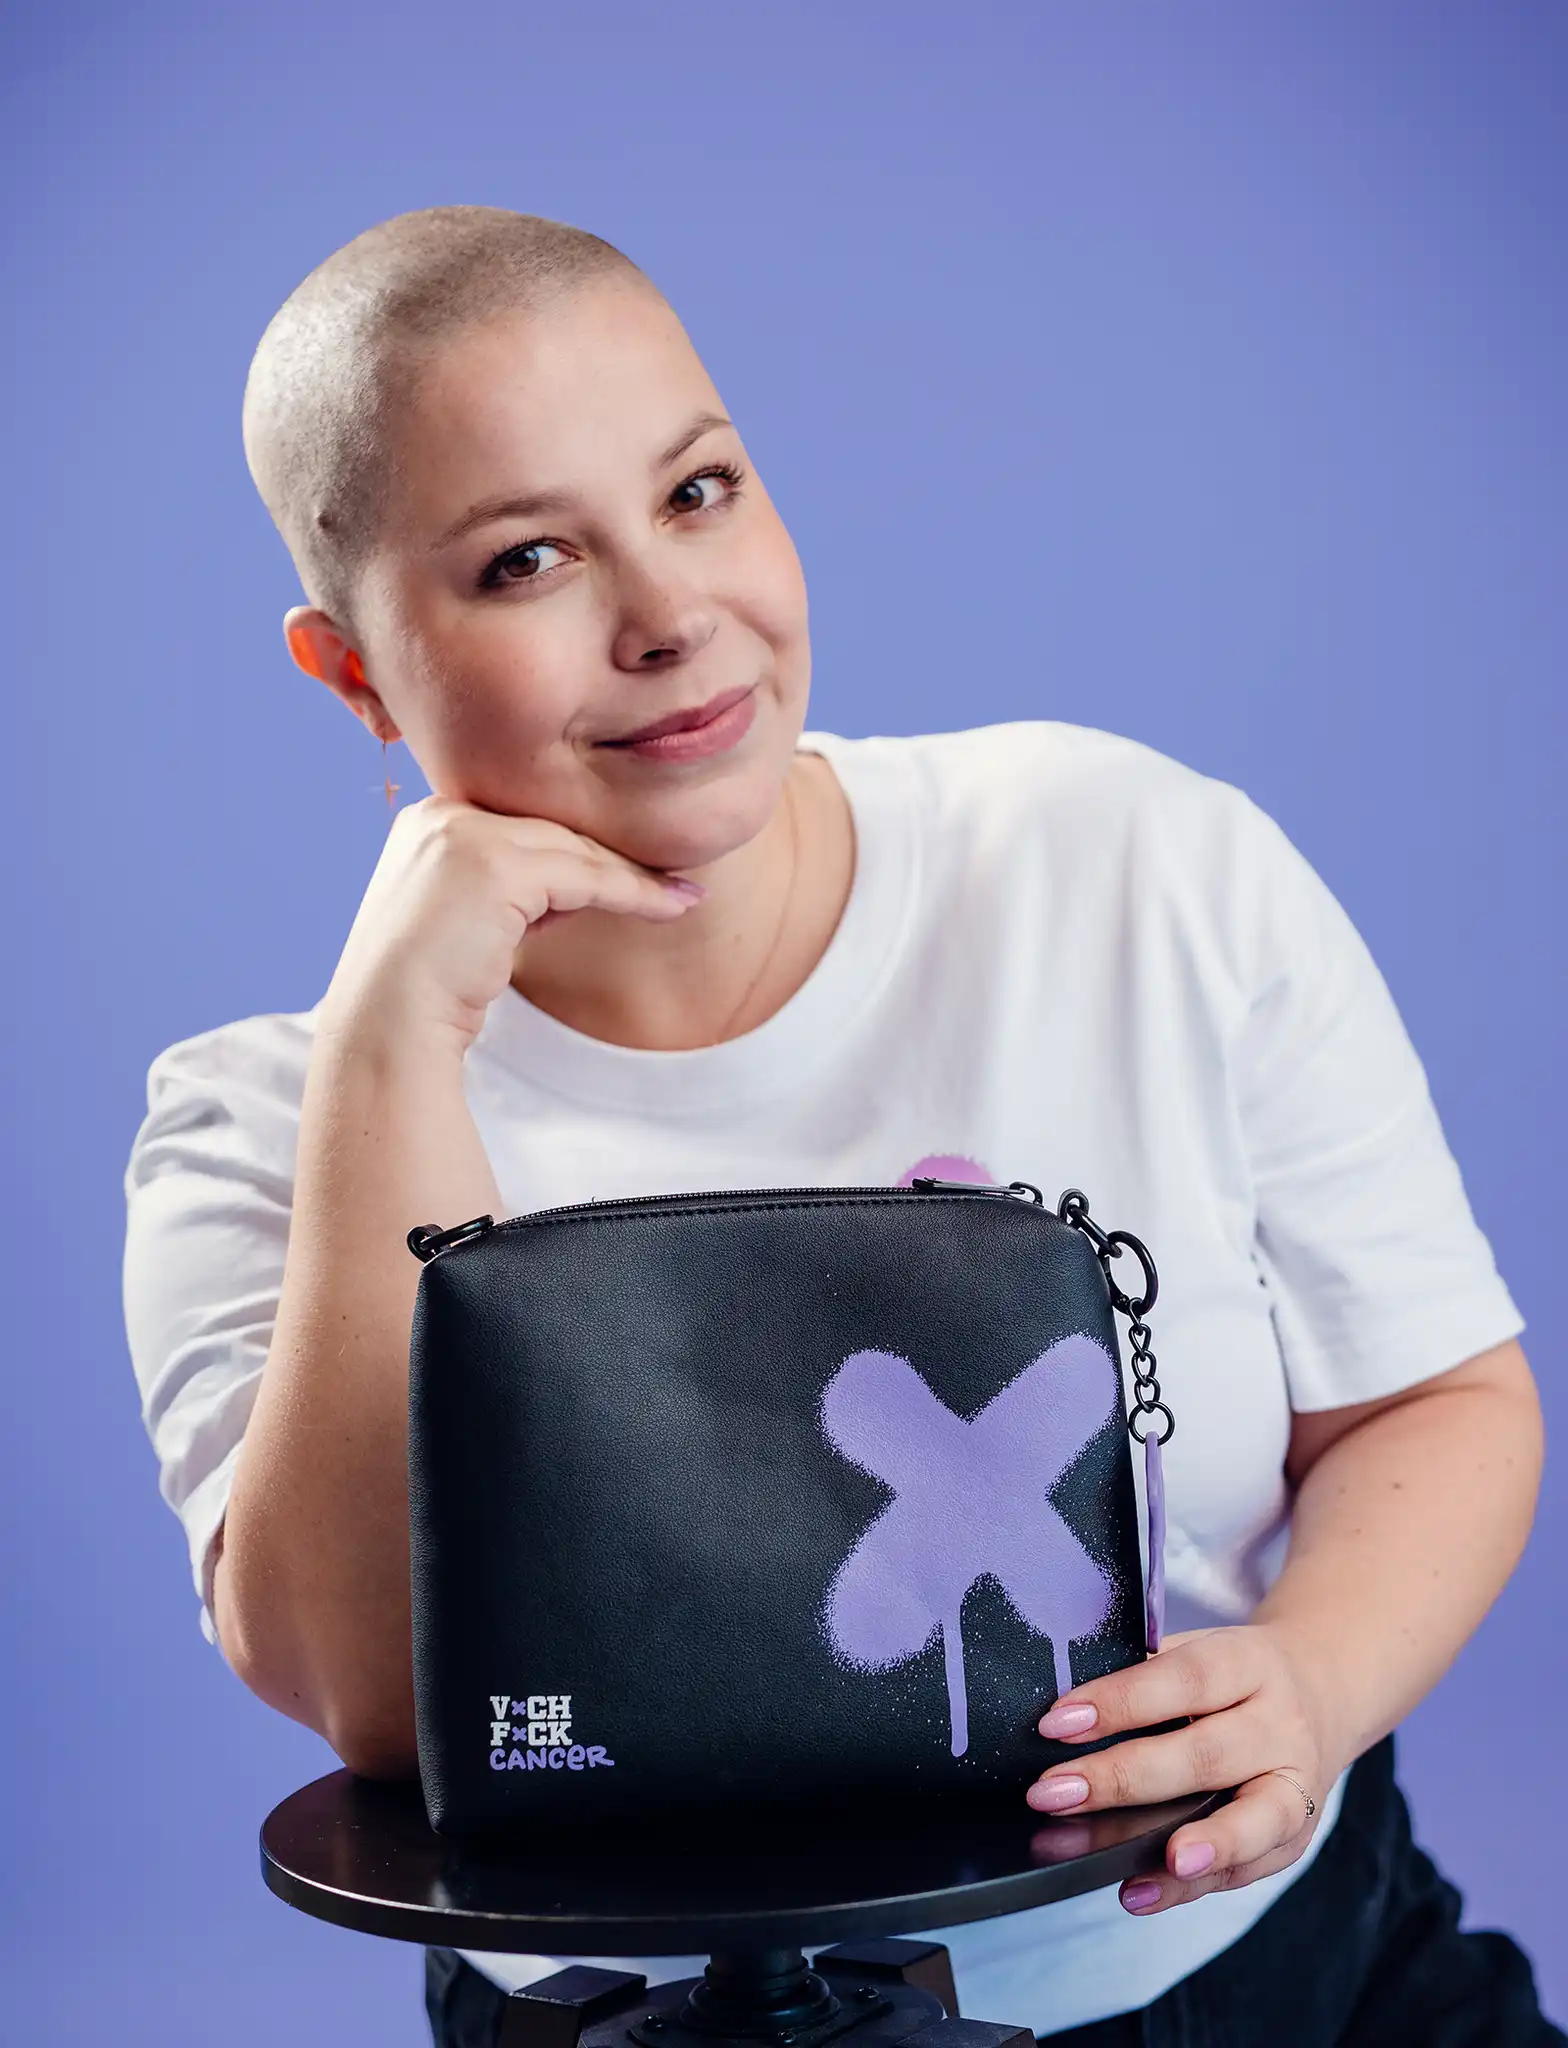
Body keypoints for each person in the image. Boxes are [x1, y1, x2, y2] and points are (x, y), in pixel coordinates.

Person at [121, 206, 1560, 2047]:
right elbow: (379, 1703)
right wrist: (395, 1052)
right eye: (527, 559)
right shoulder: (259, 1126)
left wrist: (1314, 1677)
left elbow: (1436, 1399)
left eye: (699, 491)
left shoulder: (1139, 866)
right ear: (353, 673)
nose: (669, 617)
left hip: (1284, 1972)